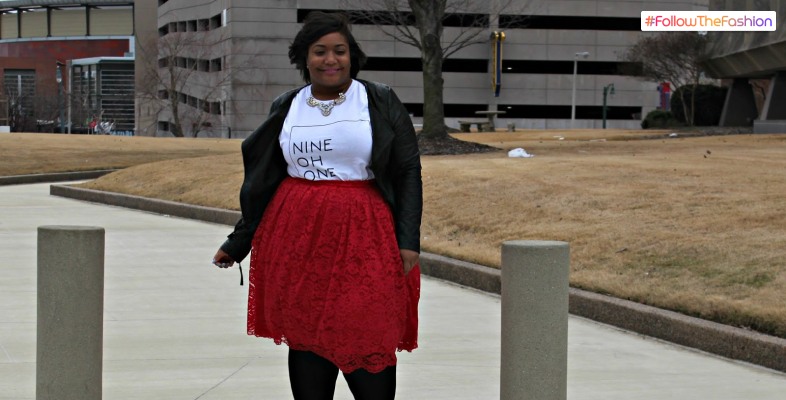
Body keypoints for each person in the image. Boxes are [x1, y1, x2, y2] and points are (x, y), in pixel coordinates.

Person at [212, 11, 422, 400]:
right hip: (296, 234)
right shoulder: (288, 105)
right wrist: (239, 241)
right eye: (320, 51)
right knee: (307, 335)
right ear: (304, 58)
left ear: (351, 56)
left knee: (366, 327)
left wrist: (408, 240)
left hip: (365, 232)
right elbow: (265, 181)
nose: (331, 59)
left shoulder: (377, 99)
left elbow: (408, 170)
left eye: (339, 51)